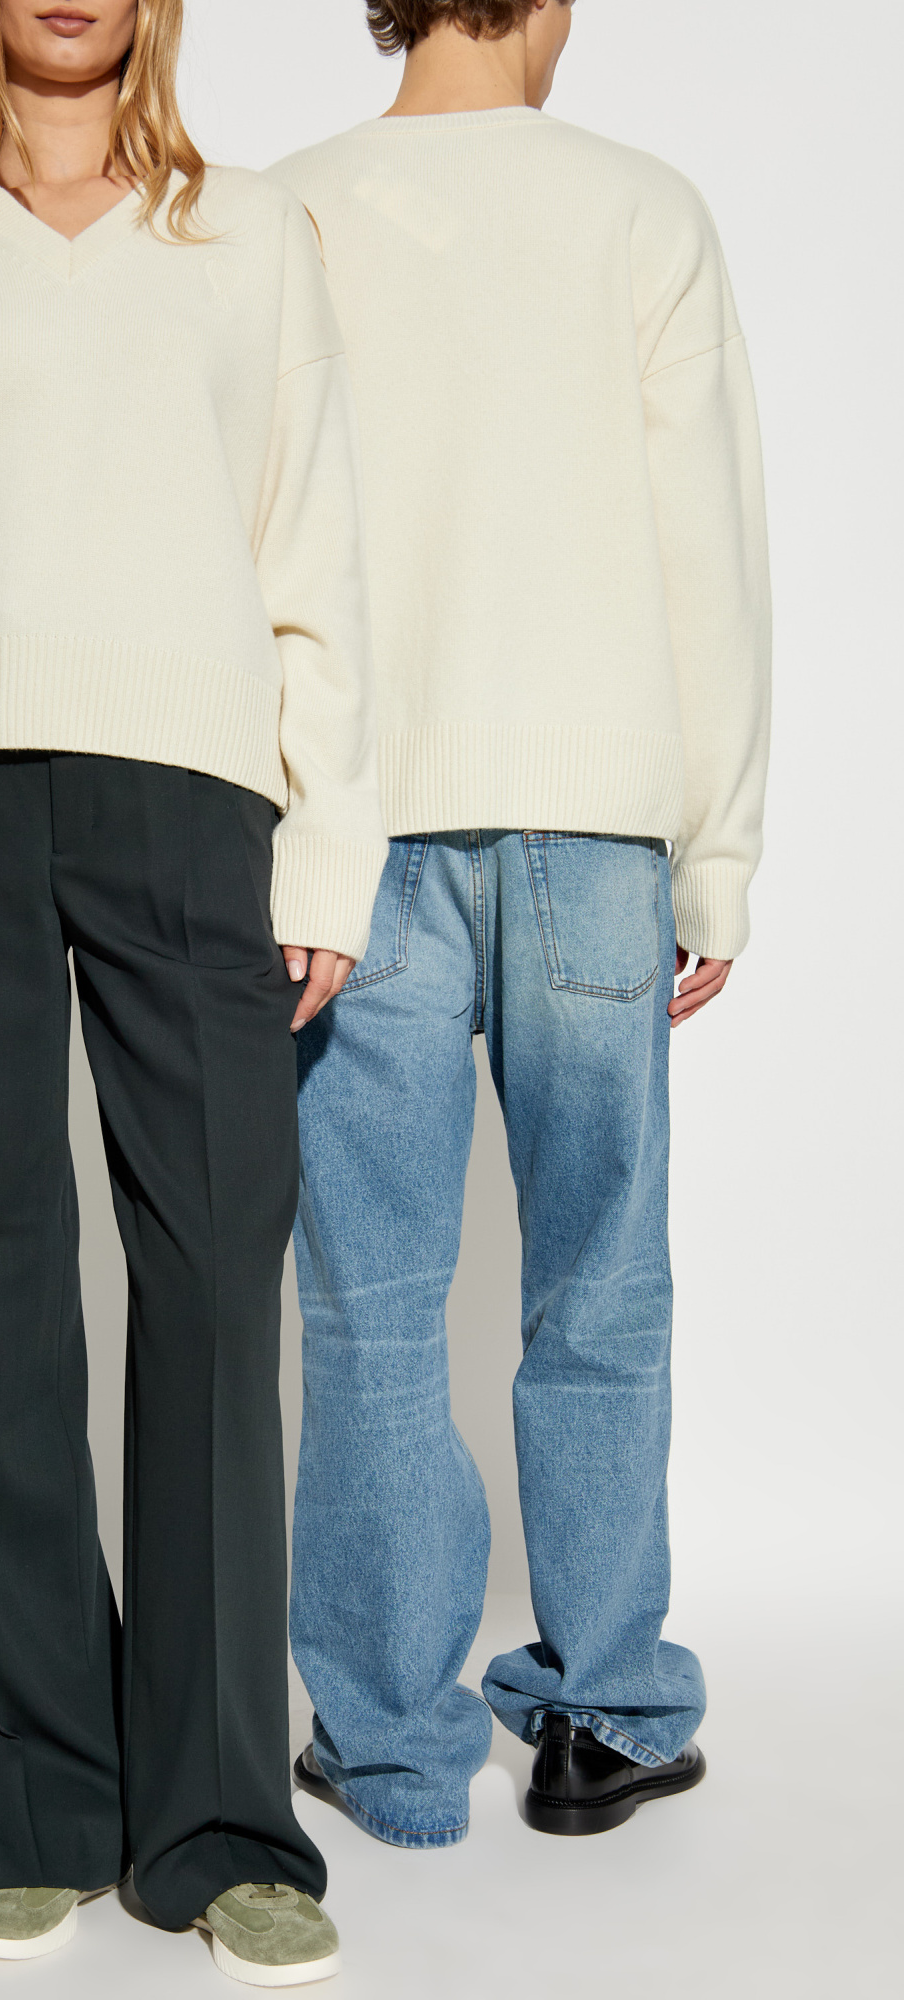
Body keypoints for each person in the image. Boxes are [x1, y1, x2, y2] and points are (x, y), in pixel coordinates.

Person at [0, 0, 386, 1981]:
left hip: (194, 793)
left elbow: (314, 546)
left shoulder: (249, 234)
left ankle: (218, 1824)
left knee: (209, 1280)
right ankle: (34, 1795)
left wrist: (330, 847)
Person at [269, 0, 771, 1848]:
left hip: (356, 842)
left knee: (371, 1311)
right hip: (594, 833)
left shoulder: (281, 211)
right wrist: (716, 849)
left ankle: (393, 1752)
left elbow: (252, 551)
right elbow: (706, 551)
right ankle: (604, 1718)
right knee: (601, 1287)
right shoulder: (641, 209)